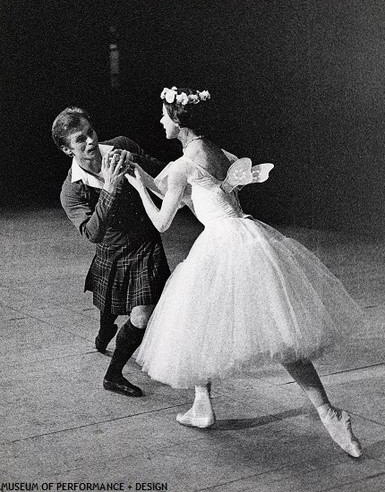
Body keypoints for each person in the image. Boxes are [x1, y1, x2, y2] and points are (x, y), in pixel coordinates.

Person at [125, 86, 364, 458]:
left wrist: (138, 188)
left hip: (220, 245)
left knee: (206, 323)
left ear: (177, 120)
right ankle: (211, 404)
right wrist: (140, 173)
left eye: (163, 114)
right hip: (247, 236)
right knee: (275, 329)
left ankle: (324, 412)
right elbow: (178, 188)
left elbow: (161, 221)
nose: (160, 120)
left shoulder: (183, 166)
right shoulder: (219, 153)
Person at [52, 107, 170, 397]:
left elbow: (166, 174)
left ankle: (113, 375)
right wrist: (110, 187)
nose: (90, 141)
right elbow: (92, 233)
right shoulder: (72, 190)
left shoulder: (121, 146)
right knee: (108, 309)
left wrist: (137, 162)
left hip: (146, 244)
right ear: (68, 150)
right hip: (112, 252)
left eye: (90, 132)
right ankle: (105, 334)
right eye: (80, 140)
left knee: (141, 315)